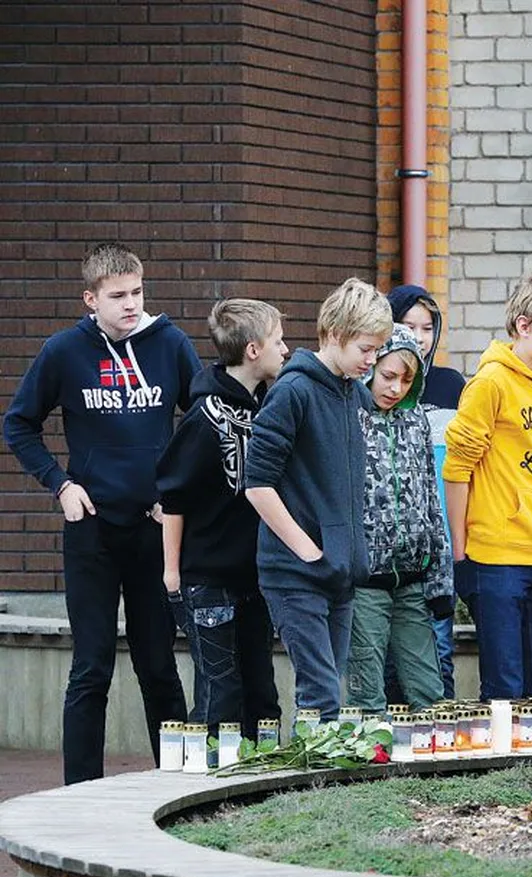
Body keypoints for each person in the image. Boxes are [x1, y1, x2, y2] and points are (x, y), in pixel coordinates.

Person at [3, 243, 199, 783]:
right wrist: (60, 483)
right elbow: (18, 424)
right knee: (91, 668)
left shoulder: (170, 344)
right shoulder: (65, 351)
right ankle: (78, 791)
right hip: (90, 530)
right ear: (91, 299)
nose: (131, 304)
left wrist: (176, 491)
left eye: (137, 292)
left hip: (152, 530)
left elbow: (203, 420)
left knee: (158, 664)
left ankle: (177, 783)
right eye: (118, 296)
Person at [244, 278, 391, 722]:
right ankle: (315, 788)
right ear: (332, 335)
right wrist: (309, 551)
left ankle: (323, 779)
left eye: (376, 350)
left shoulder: (352, 393)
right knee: (321, 696)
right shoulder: (294, 391)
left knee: (331, 690)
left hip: (339, 572)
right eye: (365, 349)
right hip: (295, 572)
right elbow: (257, 484)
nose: (372, 360)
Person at [444, 268, 532, 700]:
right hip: (494, 554)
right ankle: (502, 766)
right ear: (524, 327)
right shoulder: (490, 383)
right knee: (505, 687)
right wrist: (459, 550)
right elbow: (457, 468)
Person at [156, 298, 287, 744]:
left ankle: (261, 782)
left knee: (261, 690)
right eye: (278, 340)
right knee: (219, 690)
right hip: (207, 577)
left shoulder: (269, 407)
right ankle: (209, 780)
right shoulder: (205, 418)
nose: (285, 350)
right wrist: (172, 573)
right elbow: (173, 496)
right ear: (253, 350)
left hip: (255, 576)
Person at [346, 324, 452, 715]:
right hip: (365, 581)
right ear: (370, 369)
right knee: (366, 688)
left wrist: (440, 583)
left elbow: (431, 500)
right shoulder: (350, 416)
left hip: (413, 578)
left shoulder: (417, 422)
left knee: (429, 688)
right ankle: (370, 766)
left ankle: (433, 768)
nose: (396, 388)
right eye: (389, 377)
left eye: (408, 380)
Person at [384, 285, 461, 700]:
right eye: (407, 325)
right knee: (387, 658)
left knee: (440, 647)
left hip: (439, 544)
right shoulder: (376, 386)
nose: (418, 336)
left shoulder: (451, 385)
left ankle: (442, 741)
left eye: (427, 327)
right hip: (388, 548)